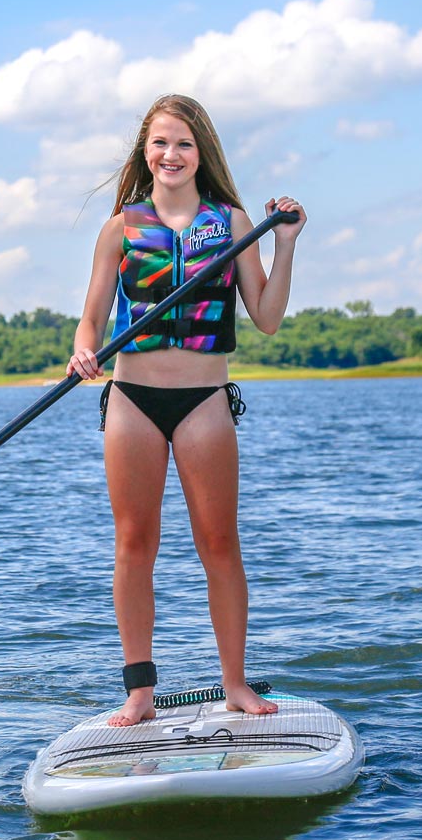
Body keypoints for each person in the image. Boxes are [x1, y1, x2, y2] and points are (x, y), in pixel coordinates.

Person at [67, 95, 306, 727]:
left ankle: (235, 684)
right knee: (133, 543)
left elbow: (268, 318)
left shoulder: (232, 223)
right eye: (159, 143)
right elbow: (91, 317)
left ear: (202, 153)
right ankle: (139, 692)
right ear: (144, 152)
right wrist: (83, 350)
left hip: (203, 400)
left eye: (183, 144)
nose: (170, 154)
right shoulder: (121, 228)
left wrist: (284, 245)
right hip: (132, 401)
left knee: (219, 543)